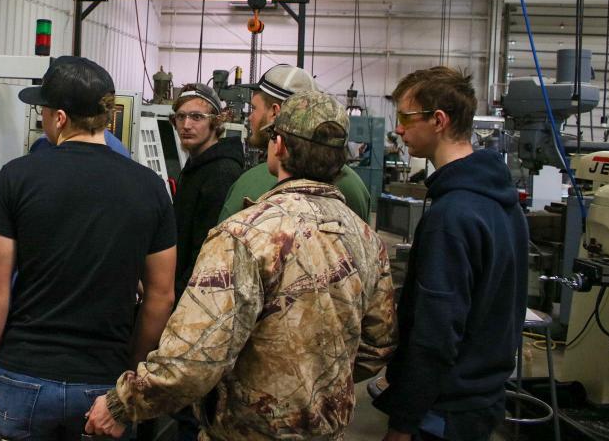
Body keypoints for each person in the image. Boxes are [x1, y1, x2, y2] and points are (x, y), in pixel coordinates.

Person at [85, 90, 397, 440]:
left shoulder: (245, 235)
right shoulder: (366, 239)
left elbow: (196, 356)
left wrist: (122, 404)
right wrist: (311, 381)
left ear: (278, 146)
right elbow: (377, 344)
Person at [0, 56, 176, 441]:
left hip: (24, 373)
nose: (44, 118)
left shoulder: (17, 177)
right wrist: (130, 369)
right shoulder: (150, 187)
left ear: (61, 118)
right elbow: (161, 296)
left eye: (44, 111)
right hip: (104, 381)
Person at [374, 66, 528, 441]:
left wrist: (403, 421)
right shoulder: (503, 203)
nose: (398, 129)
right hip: (483, 397)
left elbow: (435, 334)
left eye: (405, 118)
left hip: (444, 409)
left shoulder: (453, 215)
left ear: (438, 120)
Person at [218, 64, 371, 223]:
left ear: (276, 113)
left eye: (254, 108)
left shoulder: (252, 183)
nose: (250, 117)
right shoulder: (356, 186)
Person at [171, 83, 244, 298]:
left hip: (195, 295)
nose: (186, 125)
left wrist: (176, 298)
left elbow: (205, 251)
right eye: (180, 117)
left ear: (216, 122)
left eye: (196, 117)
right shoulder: (196, 164)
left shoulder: (221, 172)